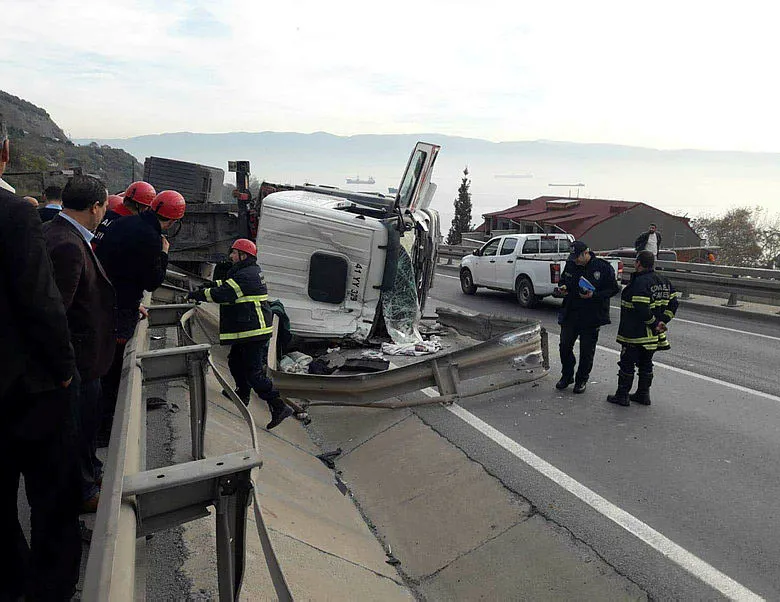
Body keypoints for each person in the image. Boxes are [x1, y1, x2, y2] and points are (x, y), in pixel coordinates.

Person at [0, 114, 82, 600]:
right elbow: (40, 301)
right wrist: (64, 371)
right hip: (27, 389)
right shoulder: (13, 214)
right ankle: (51, 589)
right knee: (53, 498)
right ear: (6, 151)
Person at [43, 175, 116, 513]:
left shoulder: (63, 234)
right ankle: (82, 492)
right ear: (95, 207)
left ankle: (90, 475)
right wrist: (65, 369)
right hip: (77, 365)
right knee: (76, 429)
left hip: (83, 362)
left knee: (85, 428)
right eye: (104, 207)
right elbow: (56, 312)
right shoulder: (69, 245)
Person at [96, 189, 185, 442]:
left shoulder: (122, 222)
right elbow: (152, 282)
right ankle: (102, 432)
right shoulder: (152, 238)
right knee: (112, 374)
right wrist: (164, 254)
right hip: (119, 312)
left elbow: (111, 265)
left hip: (103, 302)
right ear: (173, 221)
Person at [187, 238, 293, 430]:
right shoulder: (246, 271)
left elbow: (223, 293)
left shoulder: (247, 275)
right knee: (235, 361)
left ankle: (279, 406)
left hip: (254, 331)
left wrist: (199, 294)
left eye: (234, 253)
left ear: (243, 256)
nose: (231, 255)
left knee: (254, 373)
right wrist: (206, 286)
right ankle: (242, 394)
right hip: (249, 329)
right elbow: (226, 283)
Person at [607, 250, 679, 407]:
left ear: (638, 263)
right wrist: (662, 321)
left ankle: (622, 395)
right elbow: (674, 304)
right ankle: (643, 394)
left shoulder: (640, 282)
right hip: (653, 336)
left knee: (627, 363)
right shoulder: (664, 281)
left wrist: (653, 323)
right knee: (646, 363)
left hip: (635, 333)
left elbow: (641, 307)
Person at [554, 240, 620, 394]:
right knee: (564, 346)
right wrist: (563, 287)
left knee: (586, 351)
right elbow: (565, 280)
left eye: (578, 257)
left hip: (591, 314)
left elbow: (613, 289)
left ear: (586, 253)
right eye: (573, 257)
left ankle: (581, 379)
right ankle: (567, 375)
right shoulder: (571, 264)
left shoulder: (602, 267)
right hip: (571, 311)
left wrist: (594, 295)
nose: (575, 260)